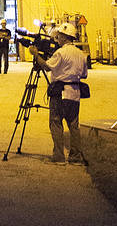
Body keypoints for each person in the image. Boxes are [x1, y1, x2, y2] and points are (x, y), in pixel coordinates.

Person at [32, 21, 88, 163]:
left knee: (56, 123)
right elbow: (84, 75)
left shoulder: (61, 53)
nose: (58, 38)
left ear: (64, 37)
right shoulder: (81, 54)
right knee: (73, 125)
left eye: (60, 36)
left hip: (60, 93)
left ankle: (58, 156)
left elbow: (46, 66)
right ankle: (75, 157)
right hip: (75, 93)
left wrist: (36, 55)